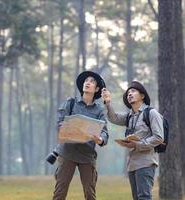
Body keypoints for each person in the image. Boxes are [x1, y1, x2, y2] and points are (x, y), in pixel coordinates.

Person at [101, 81, 164, 200]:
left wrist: (137, 144)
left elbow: (159, 138)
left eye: (133, 91)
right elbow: (113, 118)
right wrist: (108, 102)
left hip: (146, 163)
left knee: (144, 197)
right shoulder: (129, 116)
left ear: (142, 96)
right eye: (128, 92)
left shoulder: (151, 113)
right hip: (132, 165)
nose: (129, 94)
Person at [52, 71, 109, 200]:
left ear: (97, 89)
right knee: (59, 193)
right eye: (86, 81)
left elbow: (104, 132)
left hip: (87, 155)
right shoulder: (70, 103)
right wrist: (68, 129)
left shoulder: (99, 110)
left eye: (92, 81)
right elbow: (59, 123)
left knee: (90, 194)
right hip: (67, 152)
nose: (87, 83)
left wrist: (100, 140)